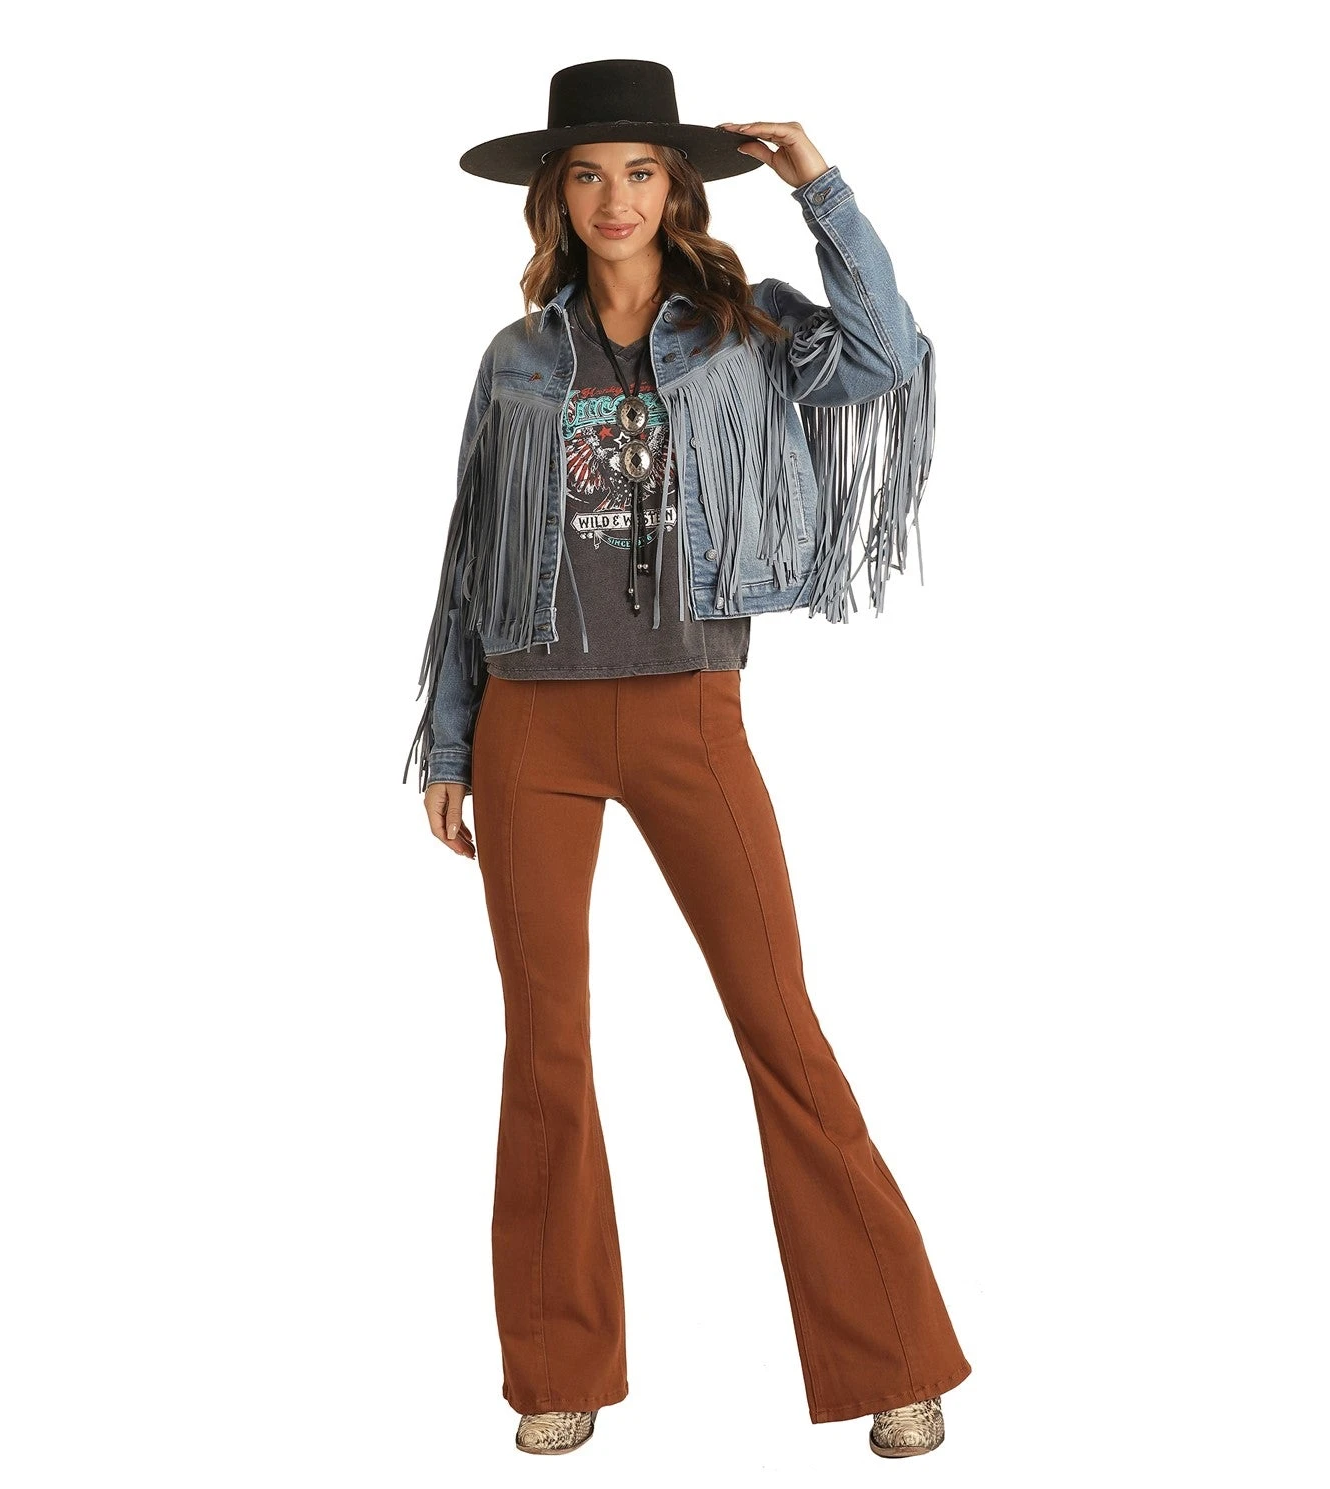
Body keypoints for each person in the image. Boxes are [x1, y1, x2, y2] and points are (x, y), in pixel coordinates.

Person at [404, 59, 971, 1459]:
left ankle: (893, 1360)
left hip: (689, 716)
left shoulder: (744, 331)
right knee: (546, 1046)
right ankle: (558, 1369)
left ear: (678, 189)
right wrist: (451, 737)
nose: (616, 198)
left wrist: (819, 189)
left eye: (642, 172)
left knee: (780, 1024)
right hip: (532, 724)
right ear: (557, 196)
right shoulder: (515, 360)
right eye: (589, 175)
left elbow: (888, 356)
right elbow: (472, 555)